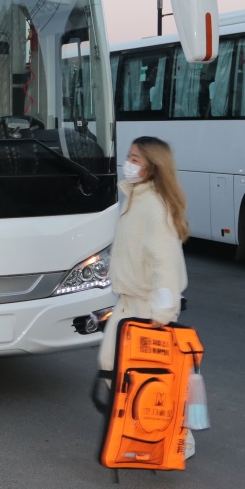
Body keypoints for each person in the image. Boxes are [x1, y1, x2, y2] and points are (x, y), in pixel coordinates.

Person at [97, 136, 189, 374]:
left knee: (136, 375)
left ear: (152, 165)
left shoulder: (155, 207)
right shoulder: (136, 198)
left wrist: (163, 312)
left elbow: (165, 263)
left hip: (147, 306)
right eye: (128, 156)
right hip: (128, 303)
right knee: (112, 366)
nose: (128, 163)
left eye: (135, 159)